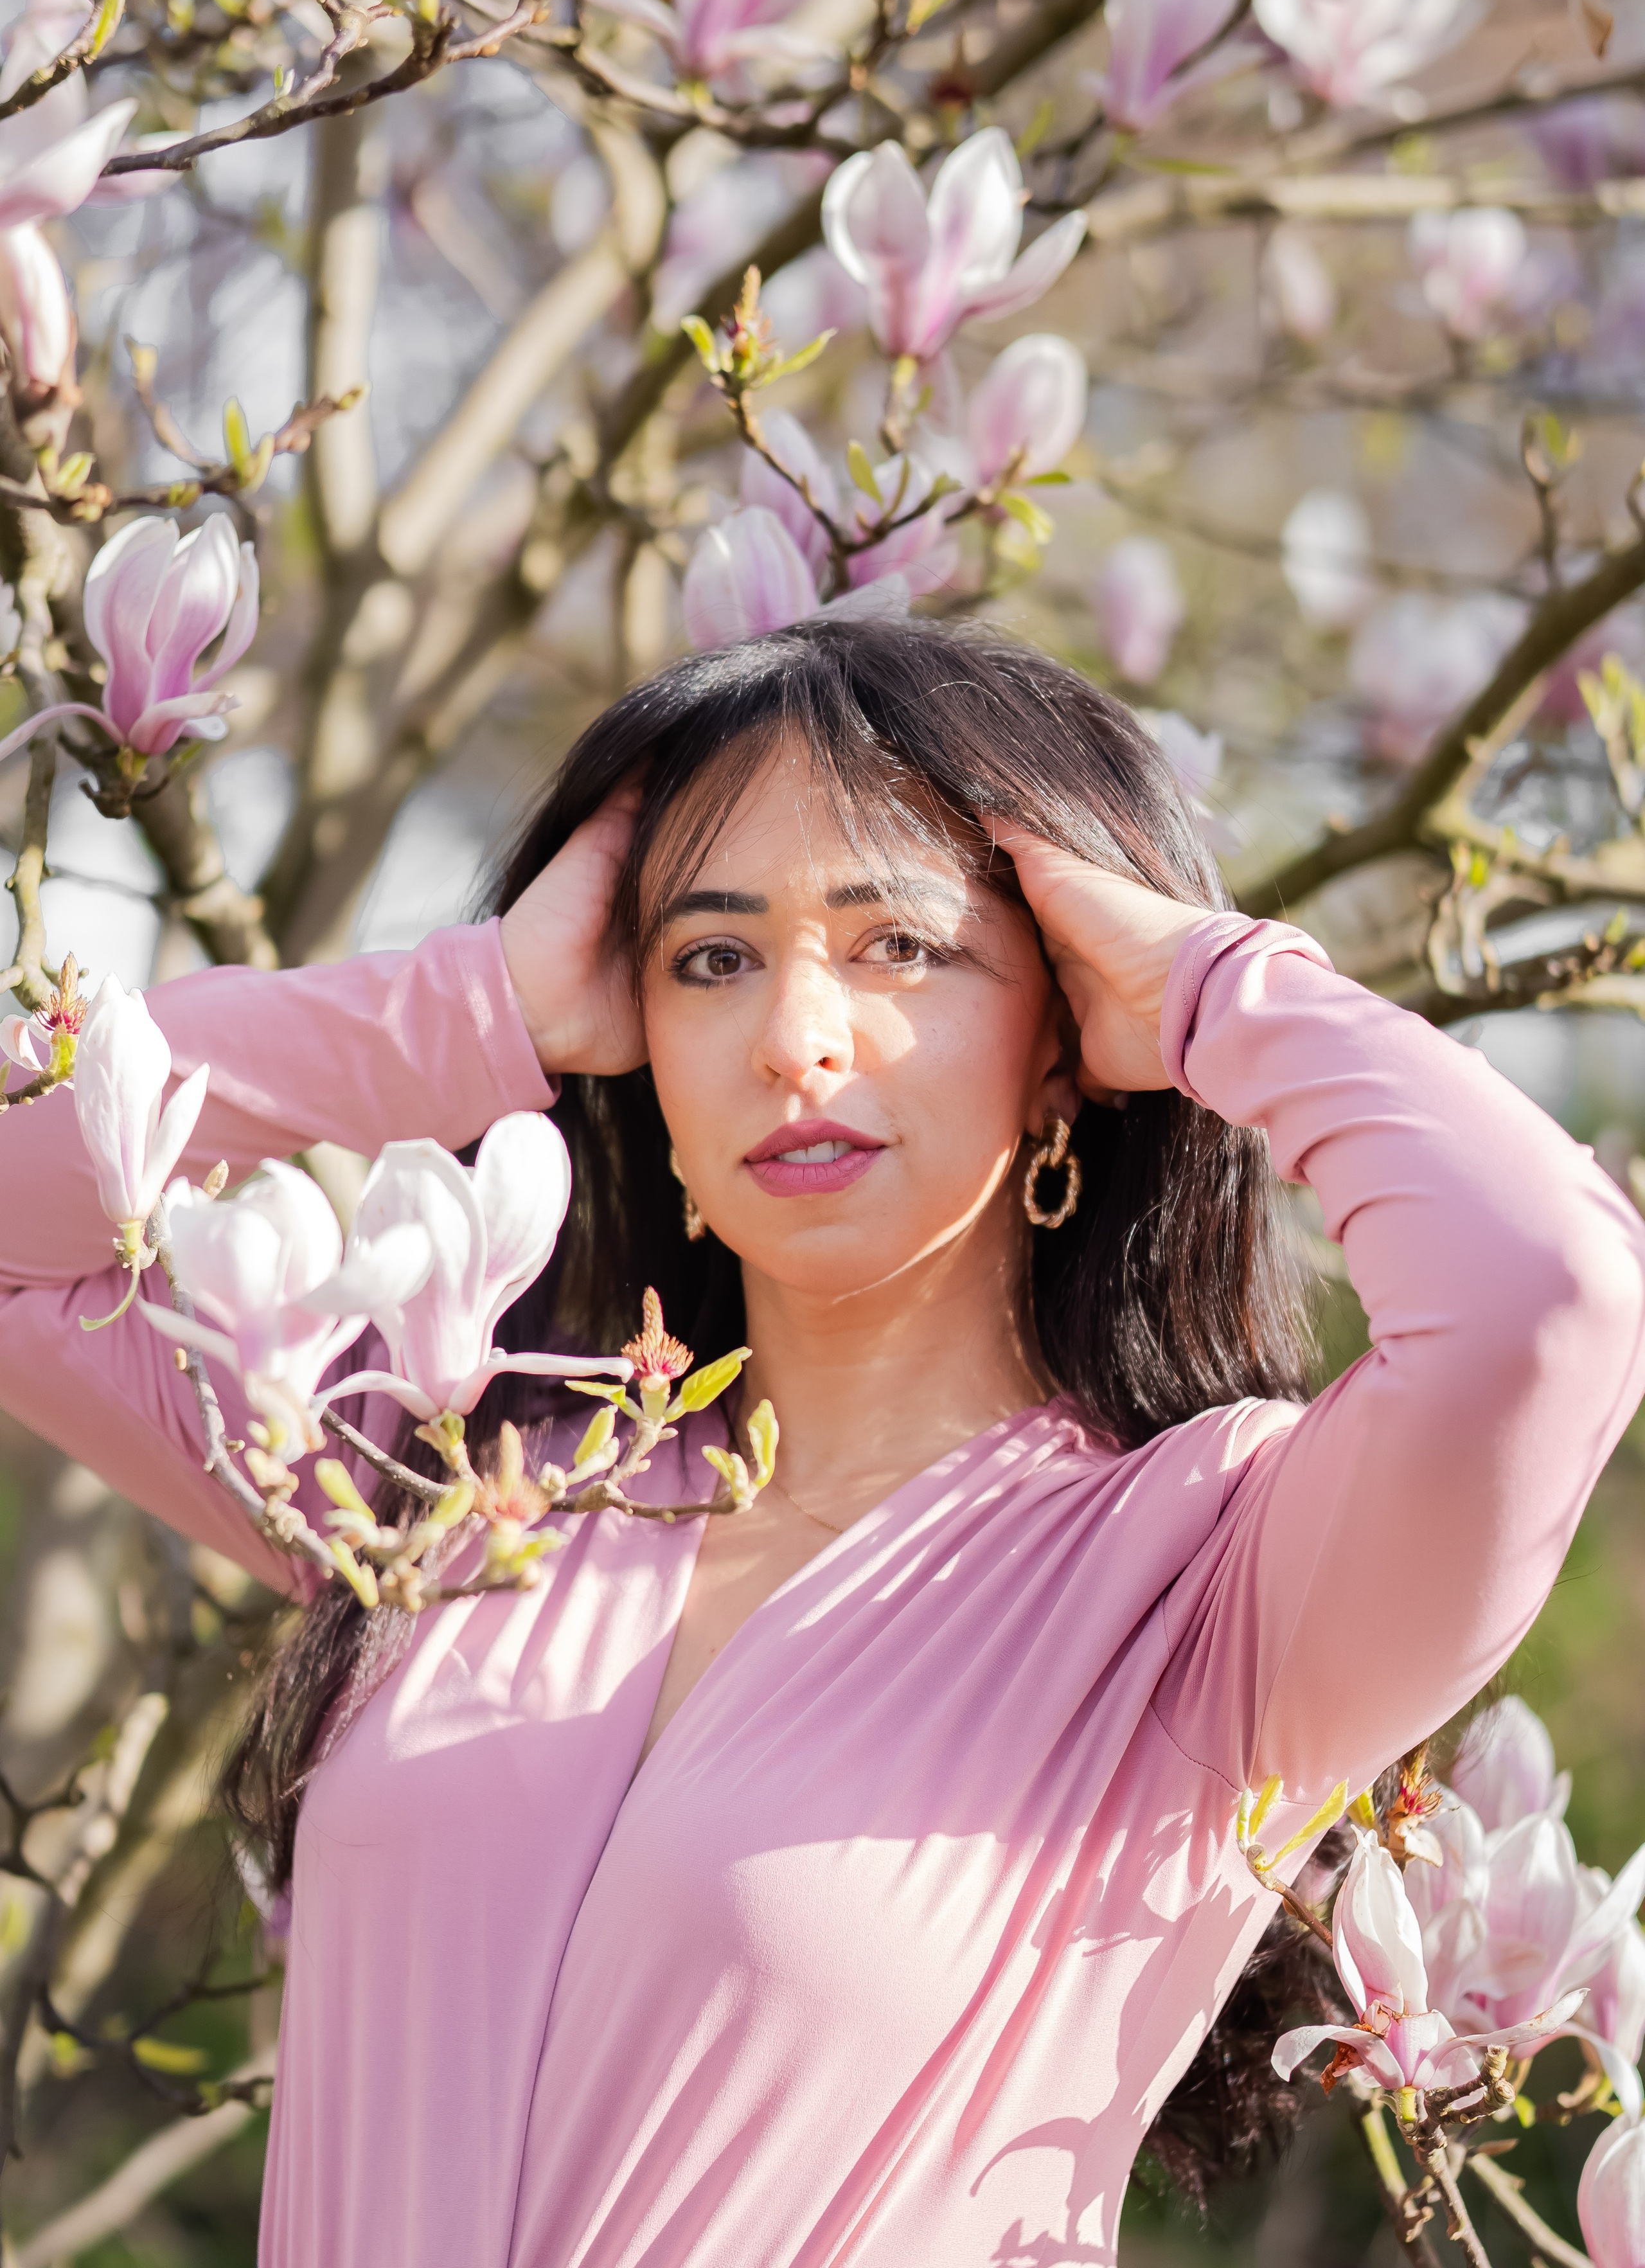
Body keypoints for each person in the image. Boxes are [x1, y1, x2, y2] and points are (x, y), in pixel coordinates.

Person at [2, 616, 1642, 2268]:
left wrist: (1208, 987)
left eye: (900, 950)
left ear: (1064, 1027)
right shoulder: (452, 1470)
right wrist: (469, 1008)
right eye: (710, 957)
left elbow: (1549, 1300)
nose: (797, 1036)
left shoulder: (1211, 1592)